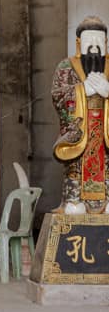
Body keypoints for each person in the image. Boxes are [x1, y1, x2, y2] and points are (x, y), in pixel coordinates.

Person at [52, 16, 109, 213]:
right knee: (75, 165)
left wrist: (107, 92)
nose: (94, 47)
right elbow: (57, 95)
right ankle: (74, 200)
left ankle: (107, 202)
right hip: (81, 130)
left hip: (105, 131)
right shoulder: (66, 66)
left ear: (106, 42)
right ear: (79, 43)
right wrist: (81, 90)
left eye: (99, 41)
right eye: (89, 41)